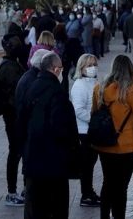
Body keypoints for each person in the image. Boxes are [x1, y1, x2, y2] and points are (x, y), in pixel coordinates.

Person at [19, 52, 79, 219]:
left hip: (32, 159)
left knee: (35, 206)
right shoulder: (57, 92)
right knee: (55, 206)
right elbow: (61, 127)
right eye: (60, 69)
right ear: (54, 69)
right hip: (53, 162)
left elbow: (21, 121)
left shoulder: (30, 86)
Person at [92, 55, 133, 219]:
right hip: (126, 145)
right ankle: (119, 216)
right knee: (122, 186)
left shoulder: (99, 88)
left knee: (108, 182)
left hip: (104, 143)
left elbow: (94, 113)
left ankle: (104, 216)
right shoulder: (132, 92)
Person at [0, 35, 26, 207]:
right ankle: (12, 192)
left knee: (18, 151)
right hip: (13, 115)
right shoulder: (9, 67)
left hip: (14, 114)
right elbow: (16, 92)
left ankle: (19, 190)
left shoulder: (11, 64)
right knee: (15, 152)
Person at [70, 54, 102, 207]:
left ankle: (89, 191)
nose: (92, 67)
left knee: (91, 163)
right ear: (81, 68)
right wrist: (95, 120)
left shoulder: (97, 82)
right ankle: (86, 195)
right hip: (84, 131)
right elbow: (78, 110)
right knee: (86, 165)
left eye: (94, 64)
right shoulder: (80, 85)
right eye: (89, 65)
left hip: (94, 130)